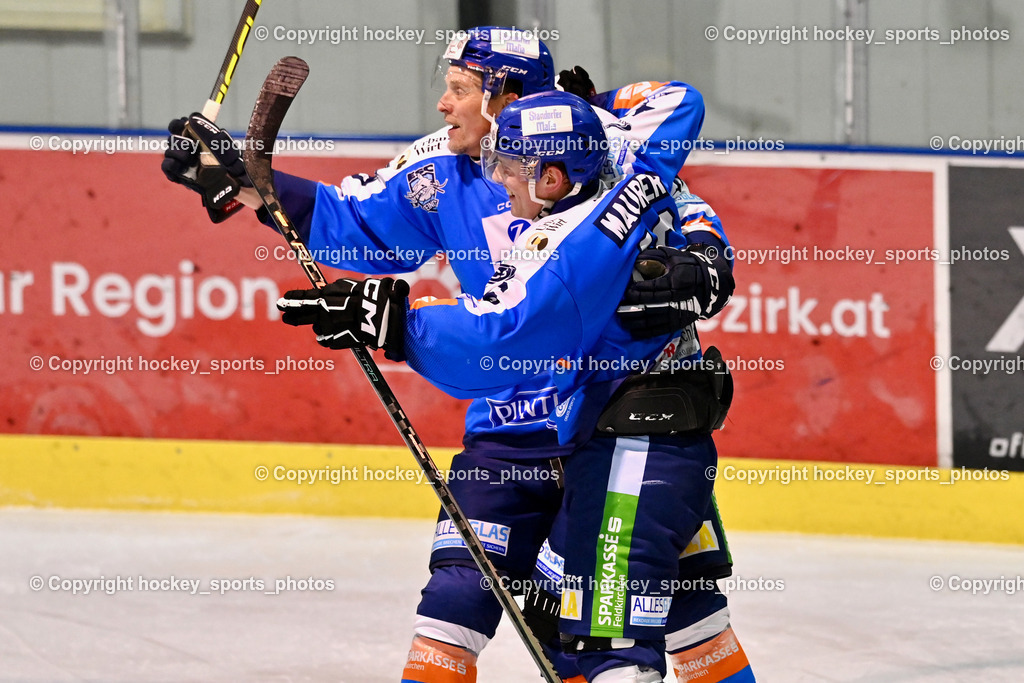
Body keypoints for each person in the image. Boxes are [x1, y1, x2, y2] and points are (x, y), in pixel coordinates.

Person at [162, 27, 751, 682]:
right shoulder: (440, 167)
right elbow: (350, 220)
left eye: (461, 89)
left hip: (620, 423)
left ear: (511, 97)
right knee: (454, 605)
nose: (444, 104)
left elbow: (679, 183)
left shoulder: (604, 146)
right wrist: (246, 185)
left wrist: (704, 258)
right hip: (512, 425)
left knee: (674, 615)